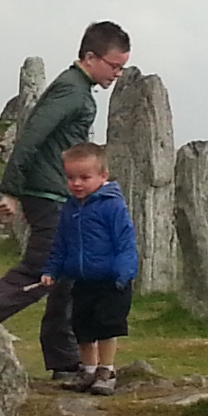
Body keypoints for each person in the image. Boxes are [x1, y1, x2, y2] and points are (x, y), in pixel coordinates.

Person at [0, 20, 133, 390]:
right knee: (40, 270)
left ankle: (67, 362)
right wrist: (11, 189)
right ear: (91, 57)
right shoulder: (71, 91)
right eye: (114, 65)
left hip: (58, 194)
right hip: (48, 194)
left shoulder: (78, 89)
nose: (118, 73)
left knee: (65, 278)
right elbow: (32, 133)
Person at [46, 141, 139, 396]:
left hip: (111, 280)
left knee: (107, 327)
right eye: (71, 177)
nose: (76, 183)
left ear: (103, 176)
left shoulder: (112, 205)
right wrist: (52, 270)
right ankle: (88, 370)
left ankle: (106, 370)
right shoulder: (70, 208)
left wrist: (124, 273)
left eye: (84, 177)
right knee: (82, 327)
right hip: (82, 279)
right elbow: (61, 243)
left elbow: (126, 241)